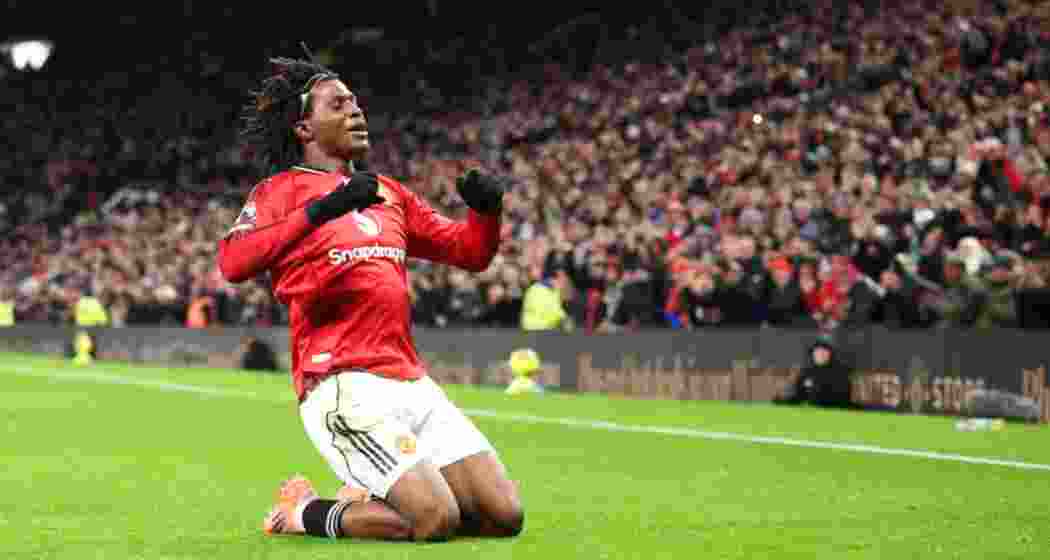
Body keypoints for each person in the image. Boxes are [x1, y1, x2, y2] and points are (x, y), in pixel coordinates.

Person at [217, 57, 522, 543]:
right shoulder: (279, 191)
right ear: (304, 128)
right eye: (338, 105)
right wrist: (323, 209)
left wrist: (487, 213)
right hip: (342, 384)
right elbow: (233, 262)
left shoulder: (386, 192)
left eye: (356, 103)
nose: (355, 111)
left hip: (410, 380)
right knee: (435, 519)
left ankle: (369, 491)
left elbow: (469, 252)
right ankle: (303, 512)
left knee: (503, 515)